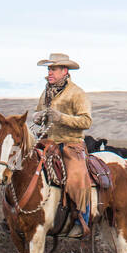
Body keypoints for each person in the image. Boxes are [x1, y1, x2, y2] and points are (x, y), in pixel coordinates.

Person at [33, 53, 93, 236]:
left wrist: (62, 118)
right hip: (46, 143)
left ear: (64, 71)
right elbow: (38, 112)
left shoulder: (77, 93)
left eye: (53, 69)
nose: (50, 72)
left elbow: (86, 121)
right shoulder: (46, 92)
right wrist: (38, 117)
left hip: (71, 145)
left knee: (77, 180)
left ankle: (82, 219)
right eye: (49, 69)